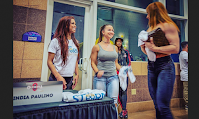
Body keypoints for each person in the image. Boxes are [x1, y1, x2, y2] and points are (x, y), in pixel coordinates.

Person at [140, 2, 180, 119]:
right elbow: (150, 51)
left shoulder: (168, 26)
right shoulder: (150, 28)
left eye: (148, 13)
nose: (147, 16)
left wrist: (155, 48)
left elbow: (175, 48)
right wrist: (144, 48)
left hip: (165, 66)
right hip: (151, 66)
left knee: (163, 106)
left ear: (155, 13)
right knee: (157, 105)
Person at [90, 24, 121, 116]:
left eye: (112, 30)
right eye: (109, 30)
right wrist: (97, 71)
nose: (112, 32)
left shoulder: (115, 47)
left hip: (113, 77)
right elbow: (92, 62)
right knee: (100, 102)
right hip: (100, 78)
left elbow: (116, 64)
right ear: (103, 32)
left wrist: (123, 70)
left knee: (113, 101)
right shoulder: (97, 47)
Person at [47, 16, 79, 90]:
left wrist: (77, 74)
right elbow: (49, 61)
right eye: (72, 23)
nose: (75, 26)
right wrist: (58, 77)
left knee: (67, 100)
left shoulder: (75, 42)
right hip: (56, 78)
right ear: (65, 25)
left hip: (70, 79)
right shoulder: (55, 41)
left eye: (75, 24)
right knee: (55, 101)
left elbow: (75, 60)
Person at [115, 38, 131, 119]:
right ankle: (115, 111)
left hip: (124, 74)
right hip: (115, 74)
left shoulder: (126, 52)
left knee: (123, 92)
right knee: (116, 93)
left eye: (120, 41)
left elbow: (129, 63)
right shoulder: (113, 51)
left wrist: (127, 71)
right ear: (115, 42)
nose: (119, 43)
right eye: (117, 41)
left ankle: (124, 111)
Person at [179, 41, 188, 110]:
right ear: (187, 46)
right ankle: (187, 104)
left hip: (185, 74)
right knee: (186, 89)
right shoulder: (184, 54)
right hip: (186, 74)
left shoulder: (182, 54)